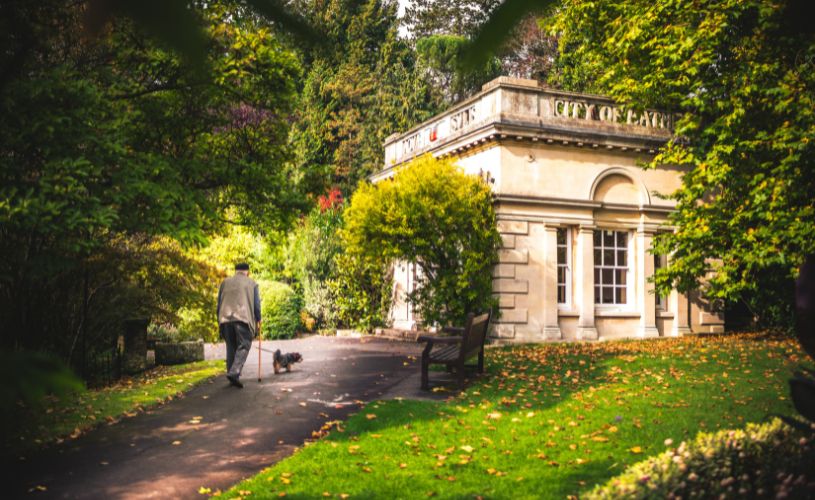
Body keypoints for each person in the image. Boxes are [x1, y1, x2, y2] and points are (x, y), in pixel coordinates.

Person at [216, 262, 261, 388]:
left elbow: (218, 304)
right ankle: (234, 372)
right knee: (244, 345)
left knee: (231, 347)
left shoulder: (225, 282)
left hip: (225, 319)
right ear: (247, 271)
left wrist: (219, 320)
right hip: (242, 318)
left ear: (236, 271)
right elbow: (256, 305)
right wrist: (259, 319)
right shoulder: (252, 283)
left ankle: (232, 375)